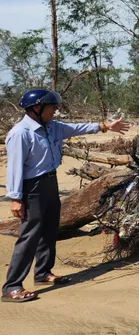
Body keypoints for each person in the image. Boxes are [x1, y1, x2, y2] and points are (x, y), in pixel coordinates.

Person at [1, 89, 130, 303]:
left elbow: (78, 128)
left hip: (51, 182)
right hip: (32, 187)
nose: (55, 111)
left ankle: (43, 273)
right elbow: (15, 167)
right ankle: (12, 286)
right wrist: (15, 198)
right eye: (52, 107)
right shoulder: (20, 133)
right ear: (37, 108)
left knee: (50, 229)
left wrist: (105, 126)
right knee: (30, 235)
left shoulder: (53, 127)